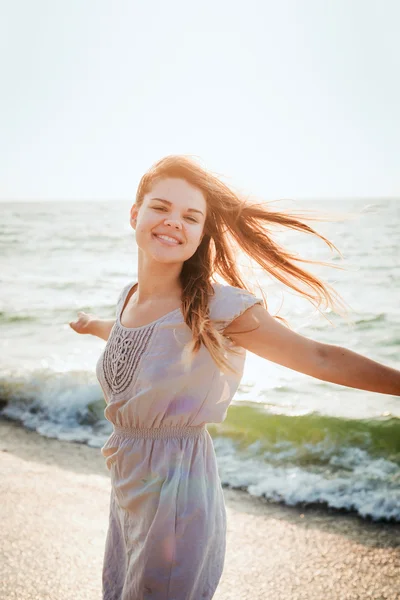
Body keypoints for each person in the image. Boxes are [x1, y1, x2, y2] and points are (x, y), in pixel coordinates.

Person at [69, 155, 400, 600]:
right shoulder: (127, 298)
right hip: (128, 490)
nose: (173, 223)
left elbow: (319, 357)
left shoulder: (216, 306)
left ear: (202, 232)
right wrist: (94, 325)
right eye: (160, 207)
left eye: (191, 216)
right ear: (135, 213)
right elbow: (139, 342)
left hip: (177, 496)